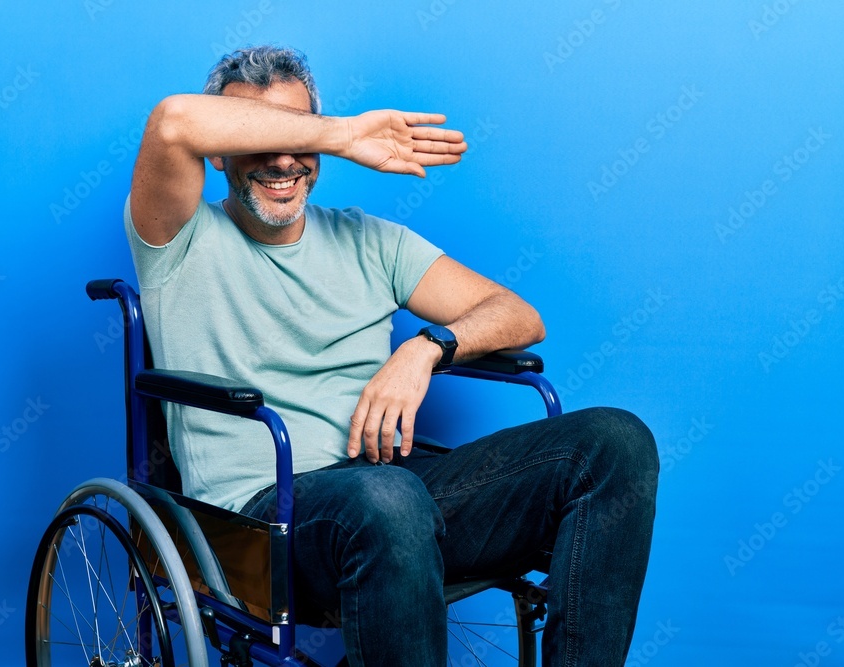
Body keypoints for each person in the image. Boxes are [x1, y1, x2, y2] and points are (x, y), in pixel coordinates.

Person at [125, 45, 658, 667]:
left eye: (299, 136)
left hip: (391, 492)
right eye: (260, 133)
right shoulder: (177, 238)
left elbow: (519, 316)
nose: (282, 158)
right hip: (262, 520)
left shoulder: (369, 240)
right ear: (219, 151)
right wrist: (345, 134)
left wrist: (426, 349)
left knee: (615, 441)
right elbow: (172, 123)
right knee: (388, 498)